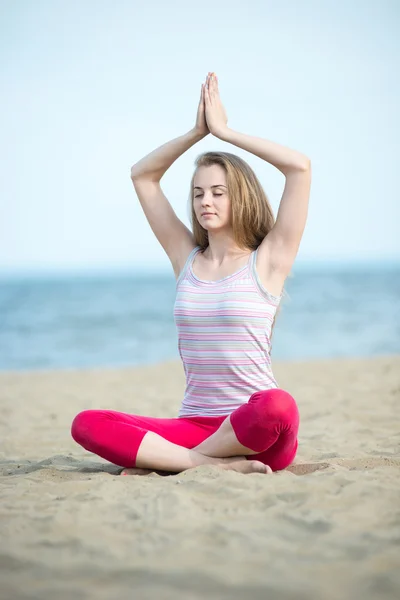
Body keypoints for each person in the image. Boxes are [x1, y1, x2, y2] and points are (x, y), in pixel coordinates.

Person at [71, 71, 312, 476]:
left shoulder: (268, 260)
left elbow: (299, 168)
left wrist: (224, 133)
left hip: (254, 432)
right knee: (88, 423)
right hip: (194, 427)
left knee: (278, 405)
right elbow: (142, 175)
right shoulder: (186, 258)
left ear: (241, 196)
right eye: (198, 193)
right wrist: (195, 134)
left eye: (219, 192)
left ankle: (180, 462)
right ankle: (211, 465)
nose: (205, 201)